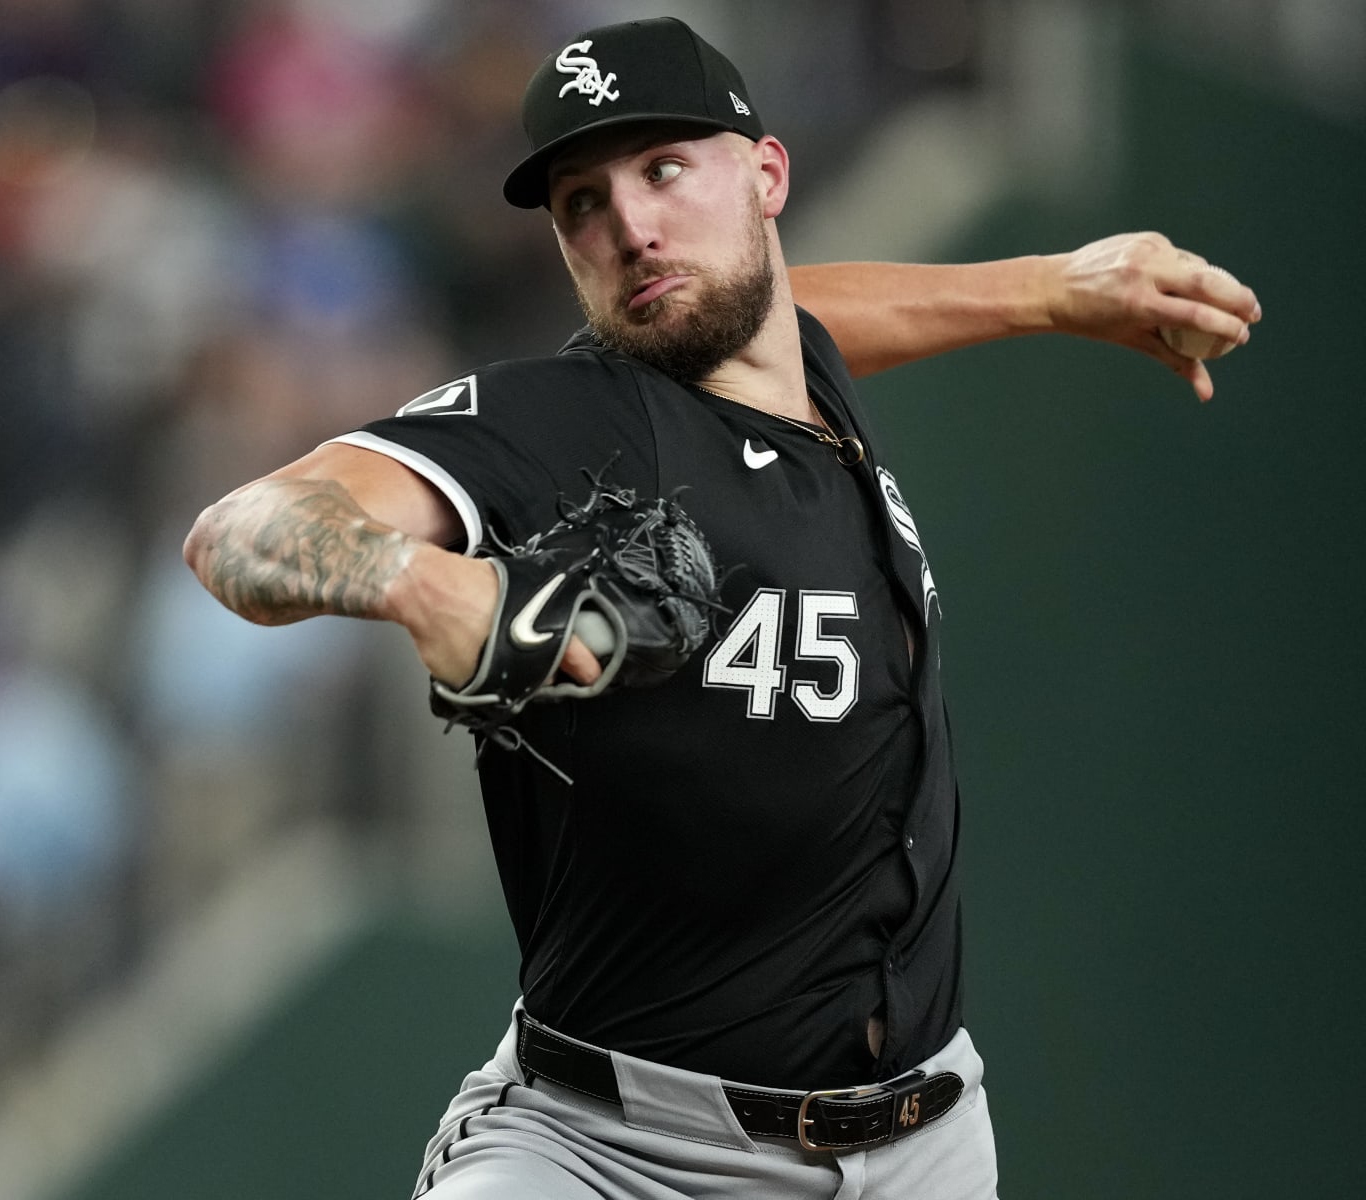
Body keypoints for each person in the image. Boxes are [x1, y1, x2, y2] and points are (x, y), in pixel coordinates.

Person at [183, 16, 1260, 1200]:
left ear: (766, 174)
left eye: (662, 169)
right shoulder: (568, 421)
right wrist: (428, 585)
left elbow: (802, 312)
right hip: (616, 1153)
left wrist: (1051, 288)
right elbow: (241, 528)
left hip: (930, 1145)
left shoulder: (791, 366)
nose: (632, 227)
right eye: (582, 202)